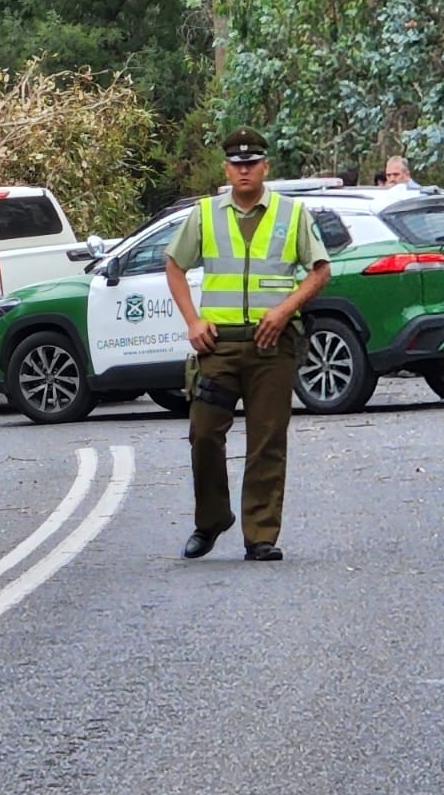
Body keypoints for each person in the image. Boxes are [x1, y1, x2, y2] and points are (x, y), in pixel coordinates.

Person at [165, 127, 330, 563]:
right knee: (203, 435)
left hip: (272, 346)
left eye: (252, 163)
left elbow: (319, 271)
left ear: (265, 167)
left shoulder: (291, 214)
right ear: (226, 169)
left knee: (267, 441)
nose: (244, 170)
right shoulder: (205, 214)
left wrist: (283, 310)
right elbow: (174, 265)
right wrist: (193, 320)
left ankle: (260, 535)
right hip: (217, 347)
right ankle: (212, 518)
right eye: (237, 164)